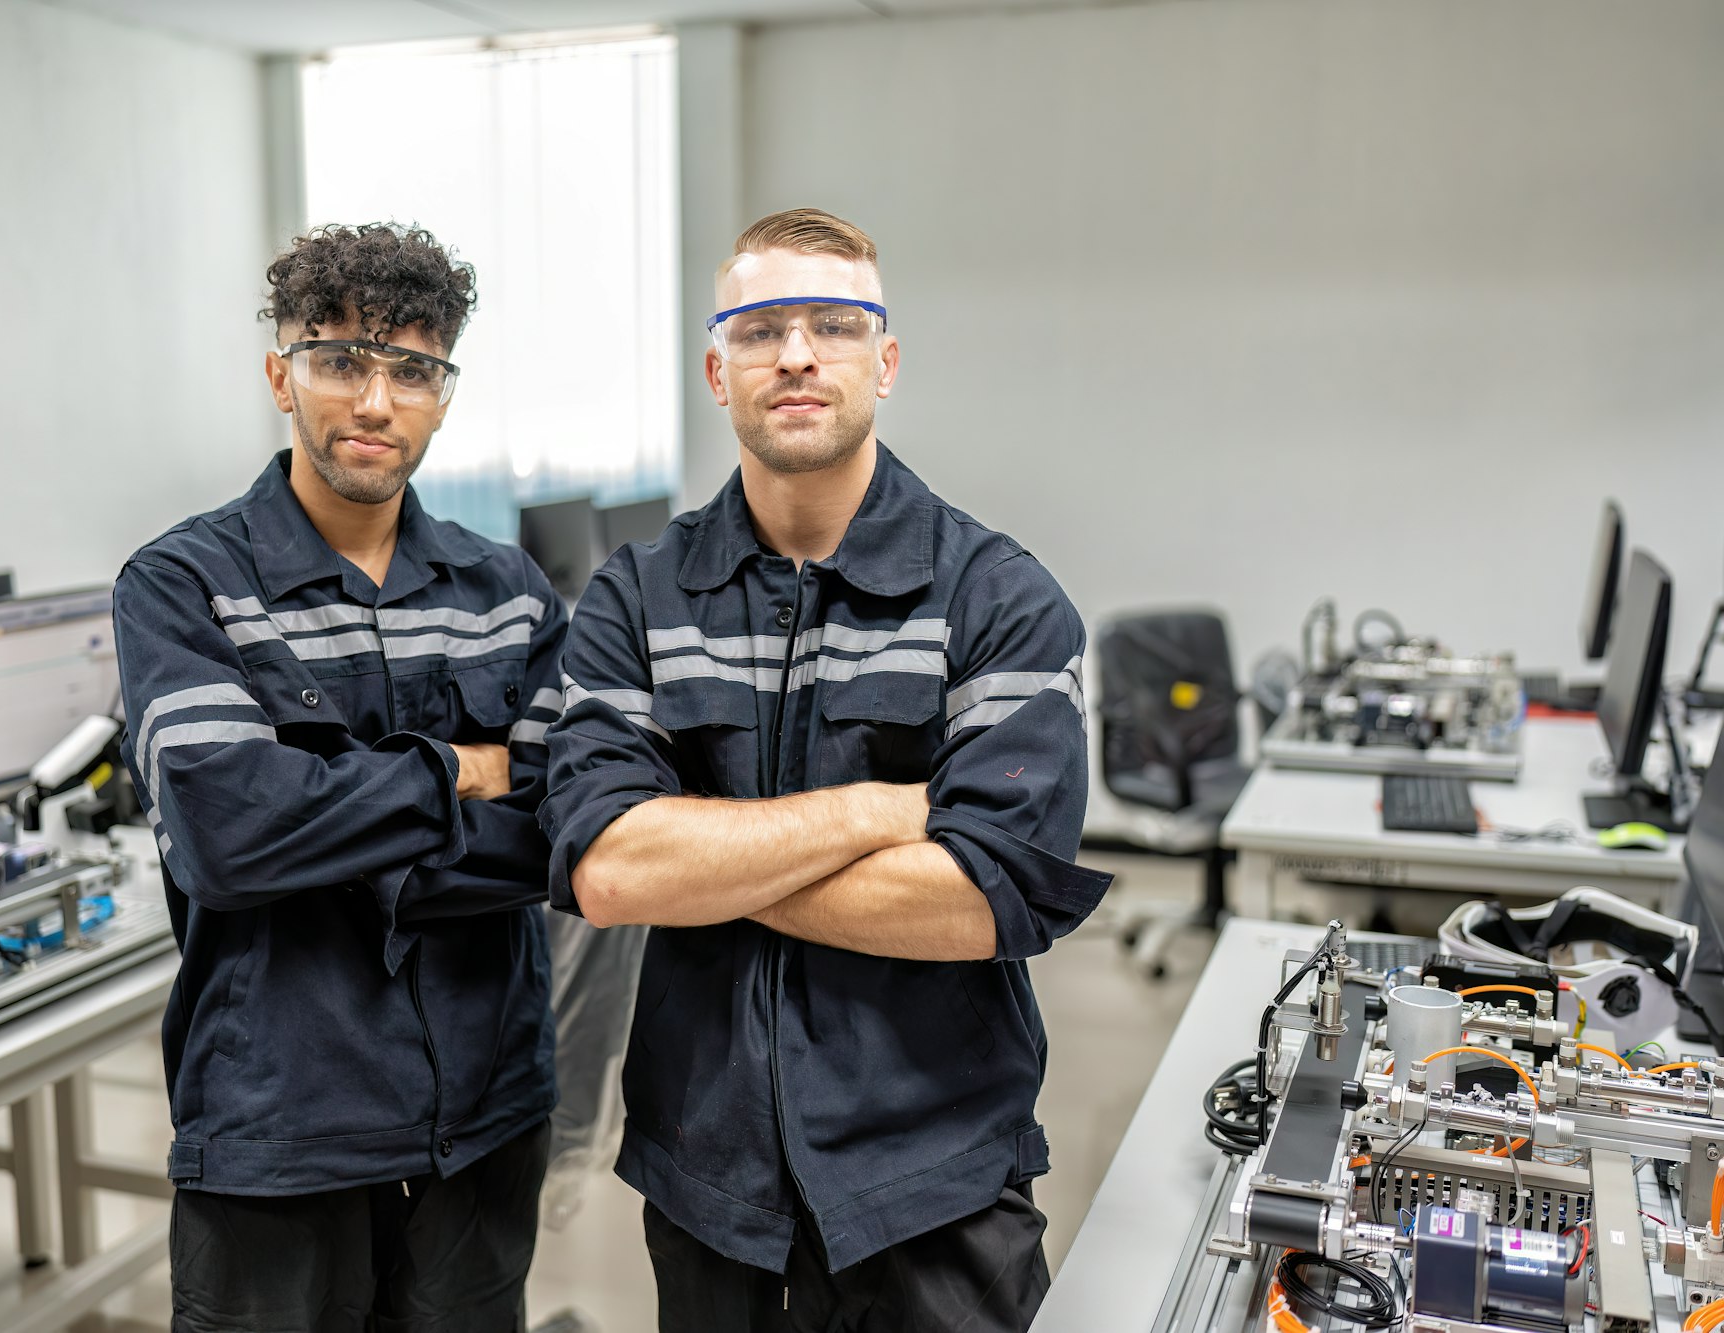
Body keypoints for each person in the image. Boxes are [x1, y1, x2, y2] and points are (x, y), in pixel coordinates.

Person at [540, 206, 1113, 1332]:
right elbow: (609, 874)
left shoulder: (993, 596)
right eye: (758, 330)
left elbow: (981, 901)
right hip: (707, 1181)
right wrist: (877, 810)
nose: (795, 353)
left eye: (832, 325)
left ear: (883, 362)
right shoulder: (636, 599)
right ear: (717, 368)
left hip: (932, 1175)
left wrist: (707, 858)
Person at [114, 222, 563, 1333]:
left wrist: (337, 832)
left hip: (483, 1119)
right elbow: (230, 838)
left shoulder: (506, 593)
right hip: (278, 1126)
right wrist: (460, 771)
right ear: (281, 375)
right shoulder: (186, 586)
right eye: (340, 360)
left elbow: (565, 828)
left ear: (443, 394)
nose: (374, 401)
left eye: (410, 369)